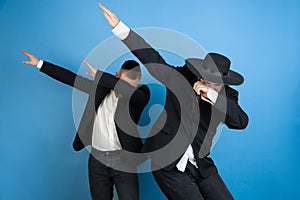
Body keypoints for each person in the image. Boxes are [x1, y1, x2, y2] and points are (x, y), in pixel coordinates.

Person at [97, 3, 249, 200]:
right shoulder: (182, 78)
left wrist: (212, 96)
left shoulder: (228, 98)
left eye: (211, 82)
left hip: (200, 164)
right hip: (166, 162)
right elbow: (153, 59)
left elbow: (241, 122)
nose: (202, 83)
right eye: (201, 78)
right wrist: (120, 28)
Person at [21, 50, 150, 200]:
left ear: (137, 84)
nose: (124, 87)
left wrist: (102, 76)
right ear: (116, 76)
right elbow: (71, 79)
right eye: (122, 82)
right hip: (97, 161)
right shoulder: (100, 89)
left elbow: (130, 92)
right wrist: (39, 64)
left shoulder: (141, 96)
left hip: (124, 162)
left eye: (130, 84)